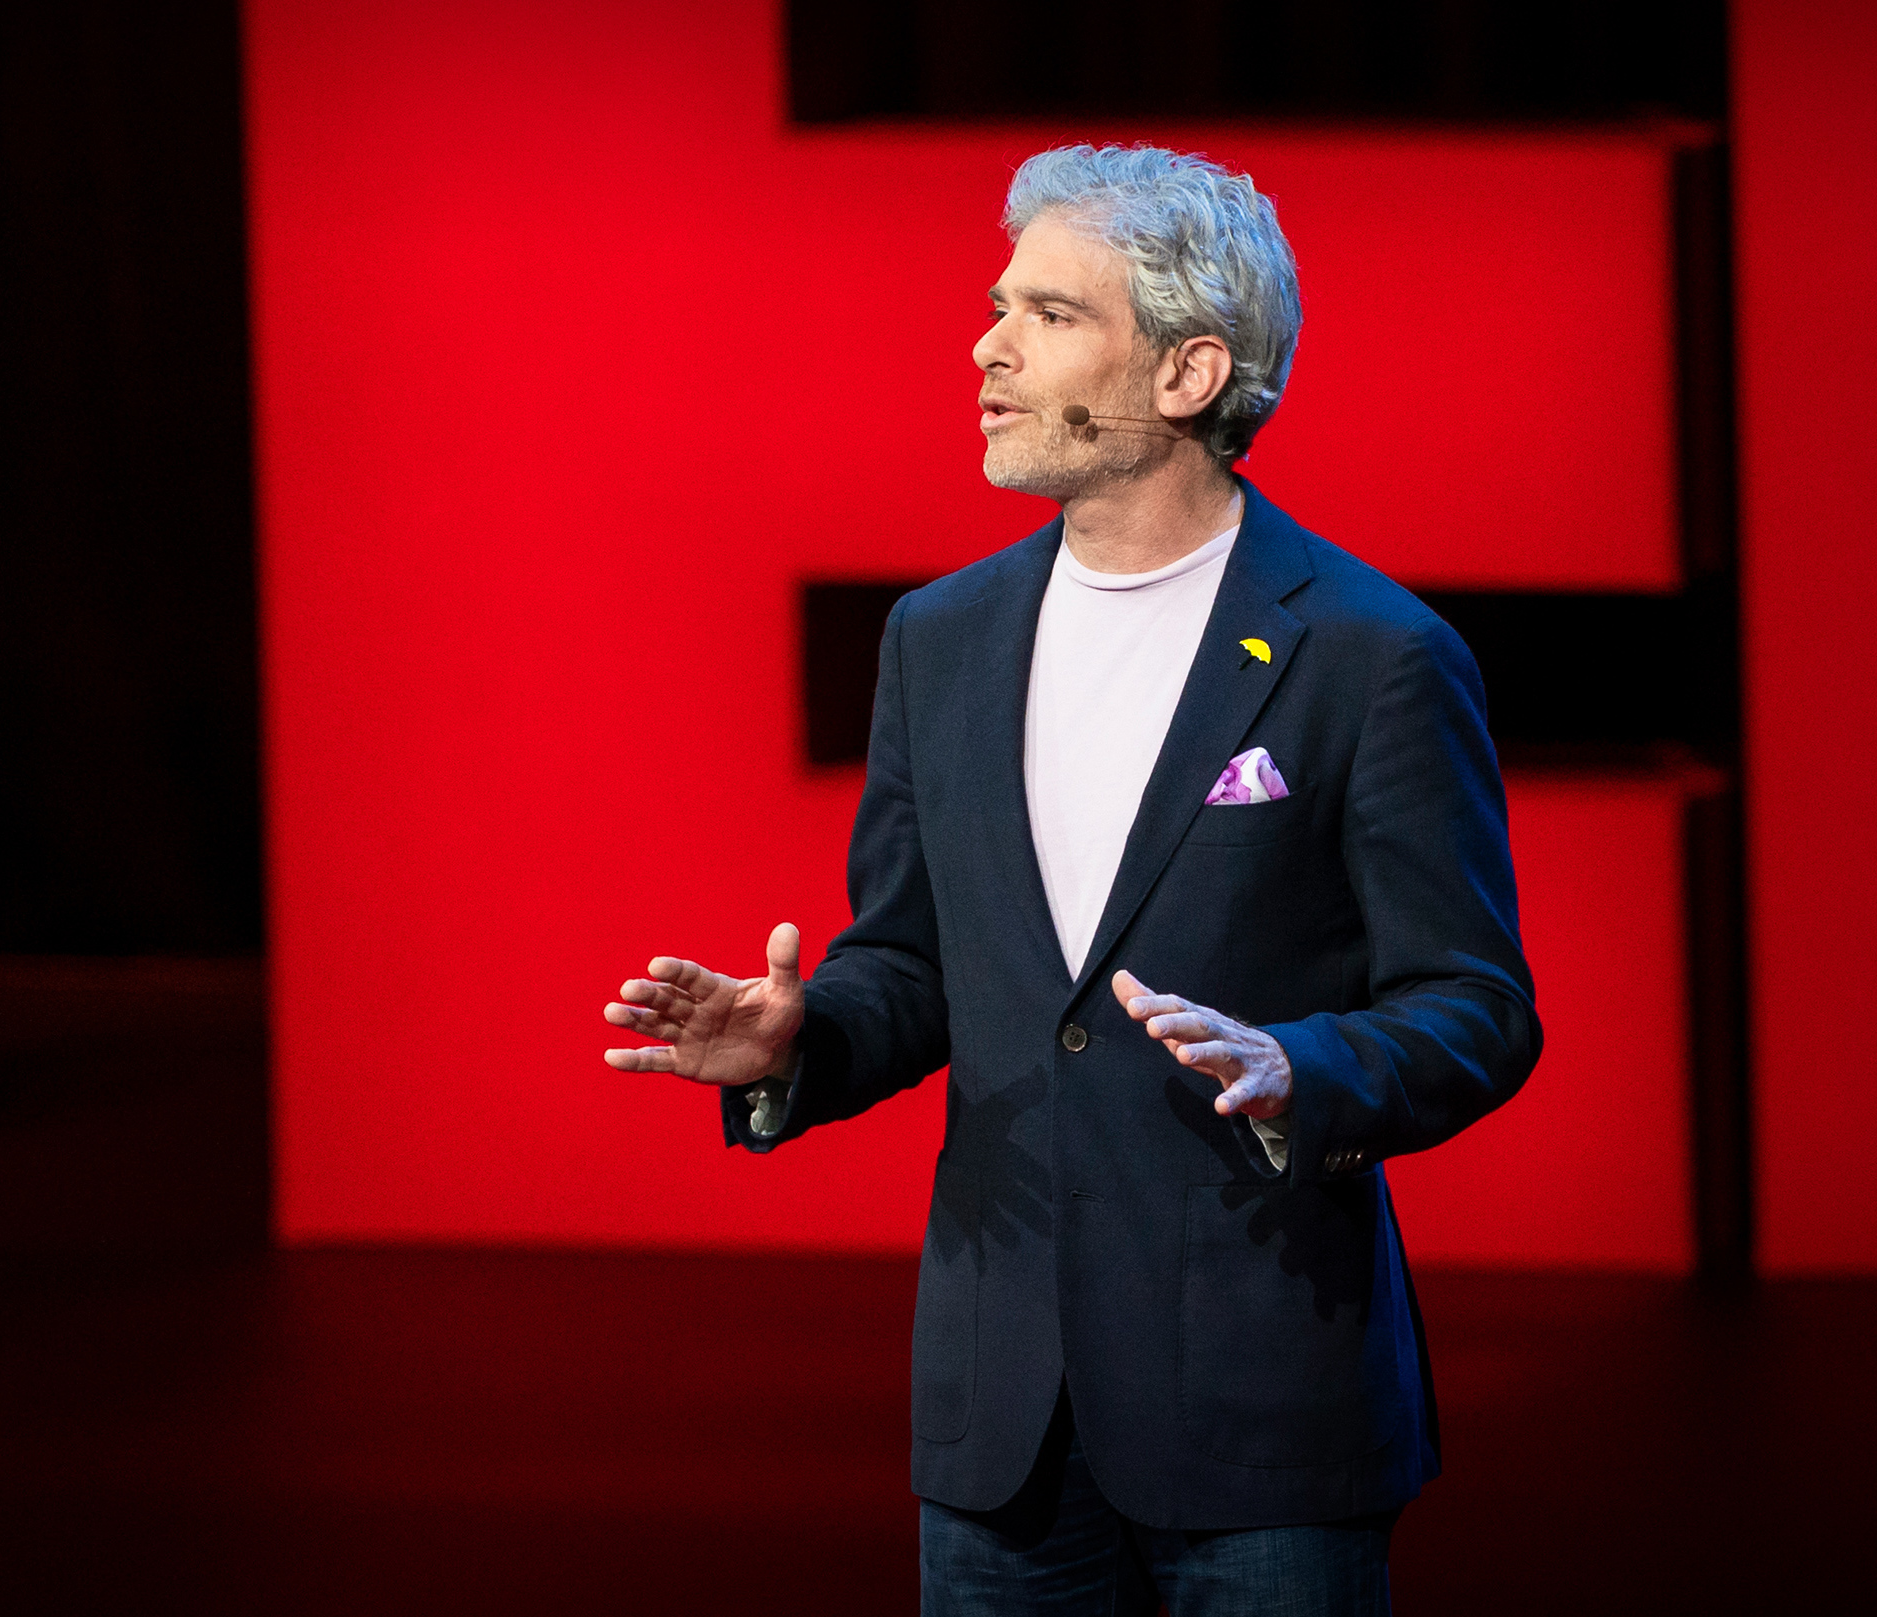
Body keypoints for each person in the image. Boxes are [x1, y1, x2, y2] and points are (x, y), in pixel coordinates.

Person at [604, 144, 1539, 1616]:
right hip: (1001, 1421)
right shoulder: (941, 637)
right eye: (996, 306)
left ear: (1186, 373)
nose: (985, 347)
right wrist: (802, 1040)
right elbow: (912, 960)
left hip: (1261, 1414)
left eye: (1047, 315)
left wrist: (1301, 1063)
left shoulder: (1369, 655)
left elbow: (1474, 1004)